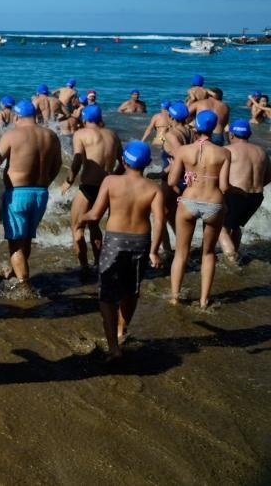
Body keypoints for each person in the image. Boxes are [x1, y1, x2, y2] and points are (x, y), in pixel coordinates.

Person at [77, 141, 164, 361]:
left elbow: (95, 215)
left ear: (123, 160)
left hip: (115, 241)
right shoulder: (154, 188)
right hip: (141, 242)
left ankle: (114, 347)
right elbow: (160, 221)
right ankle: (121, 330)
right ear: (147, 164)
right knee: (131, 289)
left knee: (107, 295)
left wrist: (80, 220)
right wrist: (154, 251)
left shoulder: (111, 181)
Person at [0, 99, 62, 284]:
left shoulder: (12, 135)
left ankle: (24, 285)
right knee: (26, 239)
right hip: (41, 194)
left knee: (15, 245)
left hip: (17, 194)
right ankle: (16, 273)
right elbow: (57, 165)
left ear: (16, 116)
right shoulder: (51, 135)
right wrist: (46, 183)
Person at [167, 110, 231, 308]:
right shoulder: (224, 152)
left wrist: (184, 177)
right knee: (209, 253)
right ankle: (204, 300)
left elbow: (171, 181)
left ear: (196, 127)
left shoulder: (183, 151)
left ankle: (175, 297)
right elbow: (224, 187)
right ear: (213, 128)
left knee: (181, 253)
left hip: (189, 201)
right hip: (214, 203)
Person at [61, 105, 122, 272]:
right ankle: (98, 264)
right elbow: (124, 164)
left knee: (77, 228)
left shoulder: (80, 134)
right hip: (106, 188)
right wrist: (112, 178)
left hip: (88, 187)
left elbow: (77, 160)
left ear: (85, 118)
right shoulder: (113, 135)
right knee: (94, 226)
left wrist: (69, 181)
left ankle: (84, 266)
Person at [217, 120, 269, 264]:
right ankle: (234, 252)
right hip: (256, 197)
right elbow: (269, 176)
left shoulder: (227, 150)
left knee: (221, 228)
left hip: (236, 194)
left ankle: (232, 258)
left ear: (232, 135)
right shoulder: (262, 152)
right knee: (235, 226)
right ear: (250, 134)